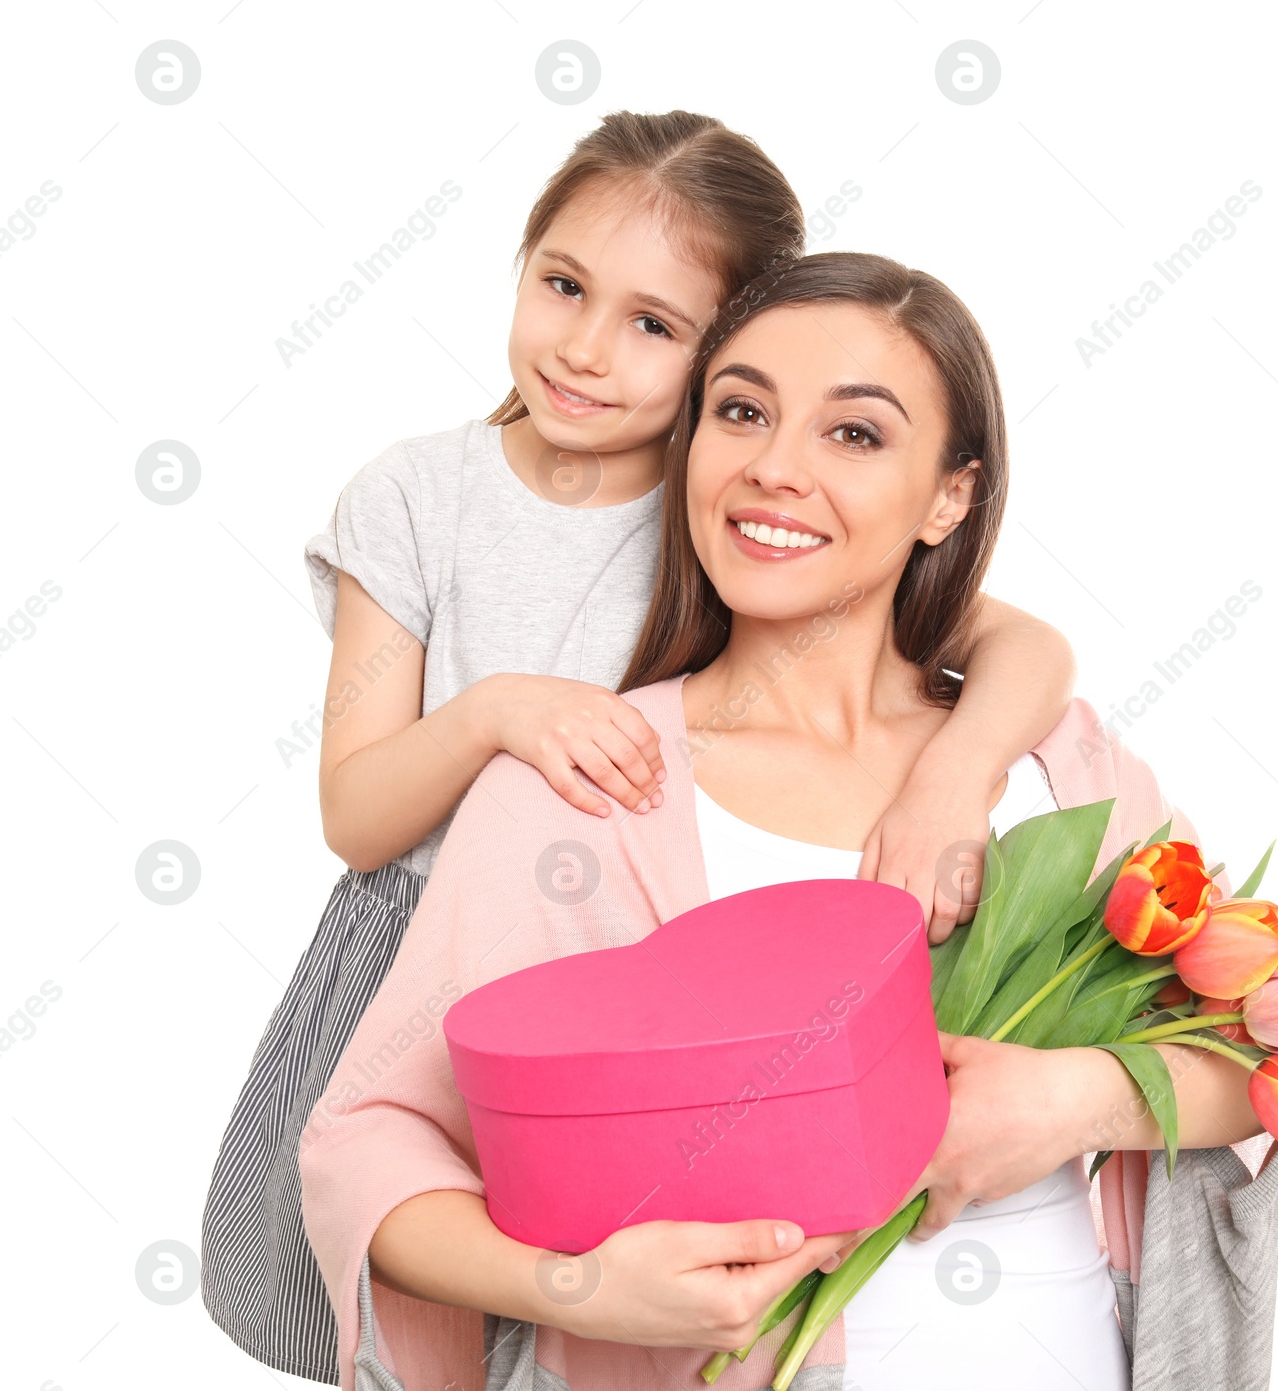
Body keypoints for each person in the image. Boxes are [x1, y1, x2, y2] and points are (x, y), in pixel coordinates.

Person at [300, 252, 1278, 1390]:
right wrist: (579, 1287)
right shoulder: (585, 783)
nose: (774, 468)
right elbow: (363, 1142)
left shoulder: (1050, 766)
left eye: (854, 434)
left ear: (951, 494)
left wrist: (1073, 1096)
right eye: (740, 411)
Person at [202, 116, 1077, 1384]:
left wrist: (952, 774)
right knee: (417, 1299)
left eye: (656, 326)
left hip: (634, 954)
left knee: (610, 1303)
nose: (585, 348)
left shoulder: (730, 487)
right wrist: (500, 708)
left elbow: (1017, 642)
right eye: (562, 284)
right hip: (419, 958)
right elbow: (354, 813)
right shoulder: (413, 495)